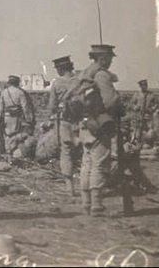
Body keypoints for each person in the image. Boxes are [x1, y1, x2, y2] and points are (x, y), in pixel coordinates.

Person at [77, 44, 125, 216]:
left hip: (85, 123)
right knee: (100, 163)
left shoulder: (85, 74)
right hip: (99, 124)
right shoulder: (102, 75)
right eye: (110, 58)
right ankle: (96, 205)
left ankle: (86, 203)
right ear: (103, 58)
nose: (111, 61)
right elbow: (110, 100)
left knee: (86, 163)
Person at [47, 56, 80, 196]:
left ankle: (69, 187)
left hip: (65, 122)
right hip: (80, 122)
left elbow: (51, 107)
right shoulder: (79, 80)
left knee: (65, 152)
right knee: (82, 152)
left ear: (61, 68)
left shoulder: (57, 83)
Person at [0, 75, 35, 162]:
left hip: (6, 117)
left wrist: (1, 117)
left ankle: (8, 153)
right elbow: (25, 107)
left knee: (7, 135)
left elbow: (1, 107)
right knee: (15, 135)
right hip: (16, 117)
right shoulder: (20, 92)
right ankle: (14, 155)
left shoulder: (4, 92)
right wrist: (28, 119)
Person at [132, 79, 158, 148]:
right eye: (142, 85)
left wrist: (152, 109)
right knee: (138, 129)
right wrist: (136, 107)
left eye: (145, 85)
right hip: (139, 115)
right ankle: (138, 143)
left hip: (148, 115)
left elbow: (156, 104)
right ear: (140, 86)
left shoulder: (151, 94)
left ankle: (149, 143)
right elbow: (132, 104)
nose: (144, 86)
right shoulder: (137, 94)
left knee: (149, 129)